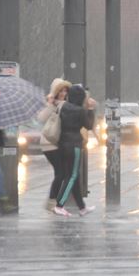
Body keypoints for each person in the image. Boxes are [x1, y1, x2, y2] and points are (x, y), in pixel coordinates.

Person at [53, 84, 96, 217]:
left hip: (62, 144)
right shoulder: (80, 110)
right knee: (72, 176)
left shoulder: (63, 106)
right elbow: (88, 126)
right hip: (75, 145)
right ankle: (60, 205)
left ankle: (82, 207)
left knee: (72, 175)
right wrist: (90, 109)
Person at [38, 78, 71, 212]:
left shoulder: (64, 104)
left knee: (62, 173)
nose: (63, 93)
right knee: (61, 173)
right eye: (61, 91)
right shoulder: (53, 104)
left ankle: (54, 201)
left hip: (57, 143)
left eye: (65, 90)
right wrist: (51, 104)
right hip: (49, 143)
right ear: (55, 92)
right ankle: (51, 201)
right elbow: (41, 118)